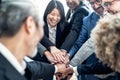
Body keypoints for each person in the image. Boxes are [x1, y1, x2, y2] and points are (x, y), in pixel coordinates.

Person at [0, 0, 70, 80]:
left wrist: (56, 68)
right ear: (29, 25)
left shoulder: (16, 63)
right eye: (40, 26)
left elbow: (30, 68)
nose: (42, 39)